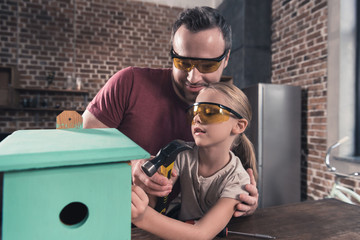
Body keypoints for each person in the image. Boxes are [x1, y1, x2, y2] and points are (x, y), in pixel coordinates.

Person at [82, 6, 258, 216]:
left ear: (226, 58)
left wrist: (243, 200)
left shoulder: (223, 110)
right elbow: (85, 141)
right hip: (96, 209)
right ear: (172, 53)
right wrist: (131, 165)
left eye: (207, 66)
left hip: (156, 220)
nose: (193, 78)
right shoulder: (128, 82)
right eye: (183, 62)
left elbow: (217, 182)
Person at [131, 82, 257, 239]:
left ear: (239, 125)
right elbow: (156, 200)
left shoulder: (238, 179)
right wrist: (144, 192)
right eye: (195, 111)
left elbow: (201, 234)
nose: (197, 118)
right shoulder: (182, 155)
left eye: (210, 112)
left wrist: (141, 216)